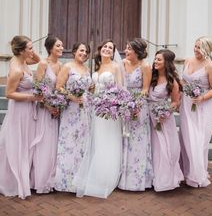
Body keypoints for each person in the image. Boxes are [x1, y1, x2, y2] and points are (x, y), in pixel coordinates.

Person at [0, 35, 42, 199]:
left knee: (25, 144)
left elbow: (37, 59)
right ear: (21, 50)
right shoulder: (17, 69)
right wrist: (31, 97)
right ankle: (14, 182)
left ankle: (24, 178)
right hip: (20, 110)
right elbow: (9, 93)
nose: (33, 51)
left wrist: (31, 50)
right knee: (18, 144)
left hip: (27, 109)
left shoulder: (24, 61)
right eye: (30, 48)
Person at [83, 39, 123, 198]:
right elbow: (94, 88)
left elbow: (120, 88)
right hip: (95, 109)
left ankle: (107, 177)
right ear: (100, 50)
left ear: (113, 52)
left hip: (108, 111)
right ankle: (97, 174)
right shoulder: (97, 66)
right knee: (98, 140)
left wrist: (111, 103)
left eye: (110, 48)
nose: (107, 49)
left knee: (108, 141)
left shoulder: (116, 66)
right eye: (105, 46)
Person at [179, 36, 212, 187]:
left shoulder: (211, 66)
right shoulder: (188, 60)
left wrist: (202, 97)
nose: (196, 50)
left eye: (199, 47)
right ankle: (186, 170)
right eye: (195, 46)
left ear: (207, 49)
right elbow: (183, 81)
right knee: (186, 137)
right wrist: (182, 93)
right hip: (186, 104)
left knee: (197, 140)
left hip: (202, 108)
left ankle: (197, 174)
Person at [54, 42, 92, 193]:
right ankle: (66, 180)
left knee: (82, 144)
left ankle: (80, 178)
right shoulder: (67, 67)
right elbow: (58, 87)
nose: (84, 53)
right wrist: (71, 97)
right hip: (71, 110)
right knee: (69, 143)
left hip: (85, 111)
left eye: (86, 51)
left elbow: (89, 88)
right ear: (75, 51)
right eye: (81, 50)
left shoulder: (87, 69)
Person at [118, 38, 153, 191]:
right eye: (126, 48)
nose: (126, 51)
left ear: (137, 52)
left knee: (138, 141)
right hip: (124, 104)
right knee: (124, 139)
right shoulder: (122, 64)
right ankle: (122, 178)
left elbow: (145, 89)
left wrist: (137, 104)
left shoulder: (145, 66)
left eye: (129, 49)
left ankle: (137, 180)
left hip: (139, 107)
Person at [32, 35, 63, 193]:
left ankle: (51, 178)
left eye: (62, 46)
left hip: (56, 110)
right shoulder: (43, 64)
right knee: (44, 143)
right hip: (44, 109)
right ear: (50, 48)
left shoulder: (60, 65)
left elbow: (60, 87)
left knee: (53, 144)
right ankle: (41, 181)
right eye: (58, 46)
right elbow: (37, 88)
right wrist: (48, 105)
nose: (61, 48)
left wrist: (58, 104)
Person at [149, 49, 184, 191]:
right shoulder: (151, 76)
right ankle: (151, 176)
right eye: (155, 59)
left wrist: (165, 113)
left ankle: (164, 178)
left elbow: (175, 102)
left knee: (163, 147)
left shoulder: (172, 81)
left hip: (163, 119)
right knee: (152, 146)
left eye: (159, 60)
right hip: (149, 117)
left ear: (167, 63)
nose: (155, 62)